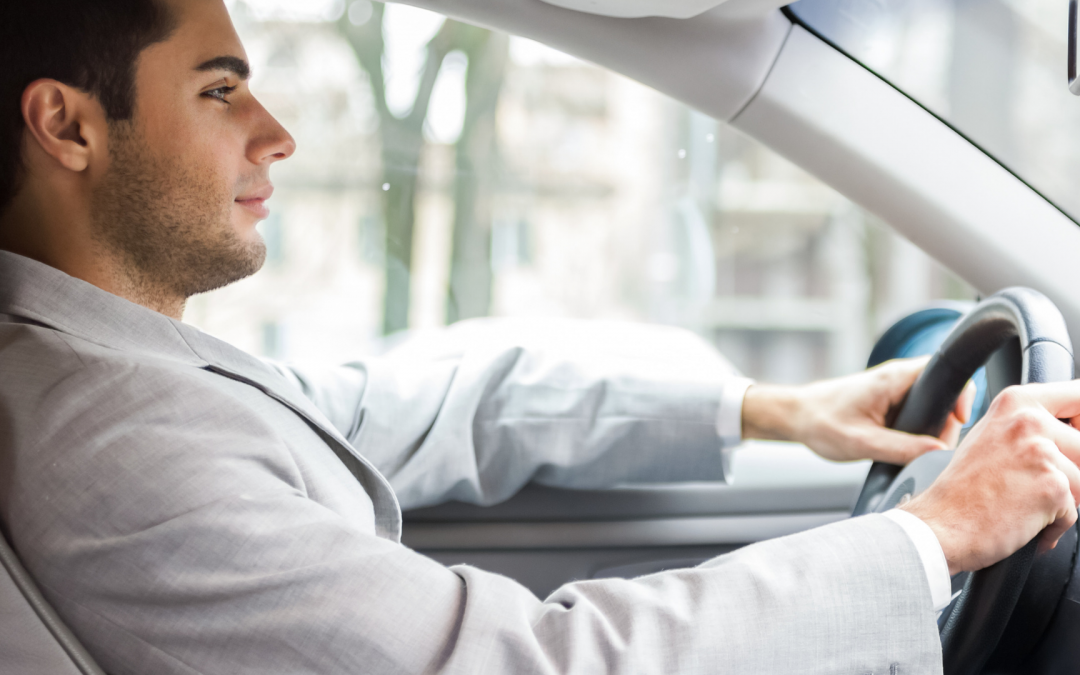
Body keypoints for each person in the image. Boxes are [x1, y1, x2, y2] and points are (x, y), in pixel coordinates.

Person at [0, 0, 1078, 673]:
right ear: (69, 125)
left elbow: (433, 403)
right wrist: (933, 533)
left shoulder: (117, 370)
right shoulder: (110, 437)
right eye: (220, 89)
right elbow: (526, 664)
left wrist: (776, 411)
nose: (277, 135)